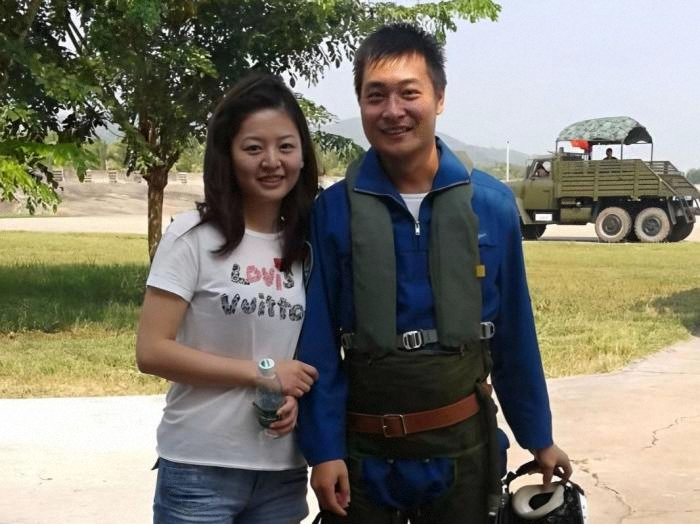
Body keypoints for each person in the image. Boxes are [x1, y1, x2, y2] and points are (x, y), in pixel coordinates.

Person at [296, 23, 572, 523]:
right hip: (363, 460)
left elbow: (515, 332)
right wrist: (324, 451)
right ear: (361, 104)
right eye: (376, 96)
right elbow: (316, 341)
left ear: (439, 98)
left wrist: (540, 437)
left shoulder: (491, 206)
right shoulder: (333, 211)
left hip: (463, 454)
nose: (393, 110)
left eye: (409, 93)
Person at [135, 73, 320, 524]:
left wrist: (292, 396)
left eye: (285, 146)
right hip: (199, 468)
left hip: (282, 472)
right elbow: (152, 350)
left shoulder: (308, 244)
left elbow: (303, 355)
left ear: (302, 154)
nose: (272, 161)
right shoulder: (193, 237)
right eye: (253, 148)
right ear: (228, 155)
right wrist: (262, 373)